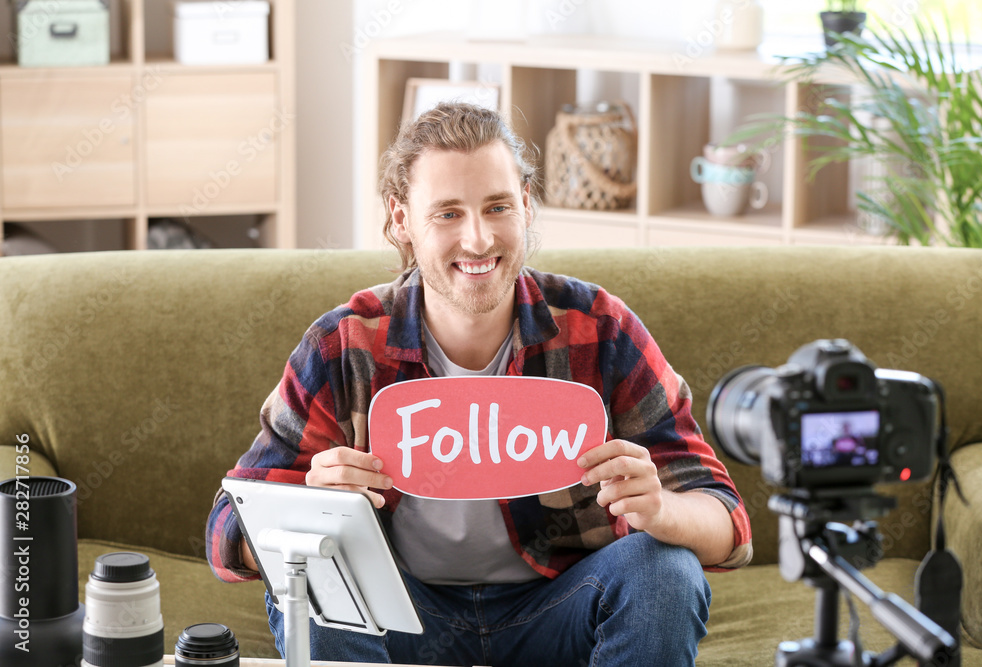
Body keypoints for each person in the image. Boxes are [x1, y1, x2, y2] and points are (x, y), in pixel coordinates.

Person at [206, 102, 752, 666]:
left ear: (526, 206)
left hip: (558, 607)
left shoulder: (601, 329)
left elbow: (728, 521)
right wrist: (307, 511)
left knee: (665, 569)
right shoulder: (344, 346)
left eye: (498, 207)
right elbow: (226, 529)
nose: (478, 239)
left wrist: (662, 509)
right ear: (401, 221)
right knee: (311, 575)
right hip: (400, 615)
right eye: (447, 214)